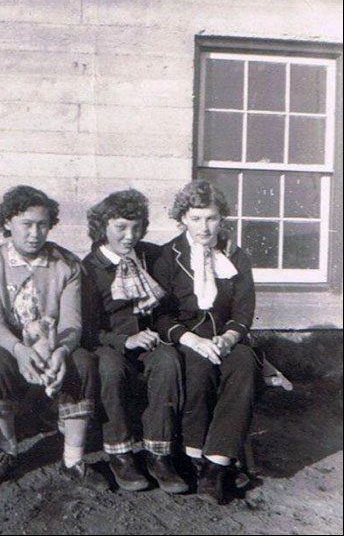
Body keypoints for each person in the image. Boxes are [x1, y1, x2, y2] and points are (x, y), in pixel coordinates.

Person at [0, 185, 108, 491]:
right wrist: (19, 350)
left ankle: (73, 459)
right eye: (27, 224)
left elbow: (72, 322)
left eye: (43, 225)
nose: (35, 233)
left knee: (83, 361)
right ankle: (6, 450)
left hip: (56, 342)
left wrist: (61, 352)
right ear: (8, 223)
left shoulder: (67, 264)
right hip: (11, 343)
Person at [153, 180, 262, 504]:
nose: (204, 226)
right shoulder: (167, 257)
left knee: (243, 364)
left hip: (225, 340)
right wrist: (192, 340)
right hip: (186, 341)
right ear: (183, 218)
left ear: (222, 219)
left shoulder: (236, 256)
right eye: (196, 218)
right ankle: (194, 458)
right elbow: (159, 315)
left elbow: (244, 311)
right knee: (199, 371)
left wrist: (228, 339)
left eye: (211, 218)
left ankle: (216, 467)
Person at [81, 190, 187, 493]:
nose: (130, 236)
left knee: (168, 361)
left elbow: (185, 251)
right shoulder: (90, 268)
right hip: (108, 344)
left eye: (137, 228)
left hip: (150, 341)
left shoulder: (150, 256)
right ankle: (120, 454)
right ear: (103, 227)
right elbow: (87, 329)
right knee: (111, 370)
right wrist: (124, 340)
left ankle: (158, 455)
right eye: (121, 228)